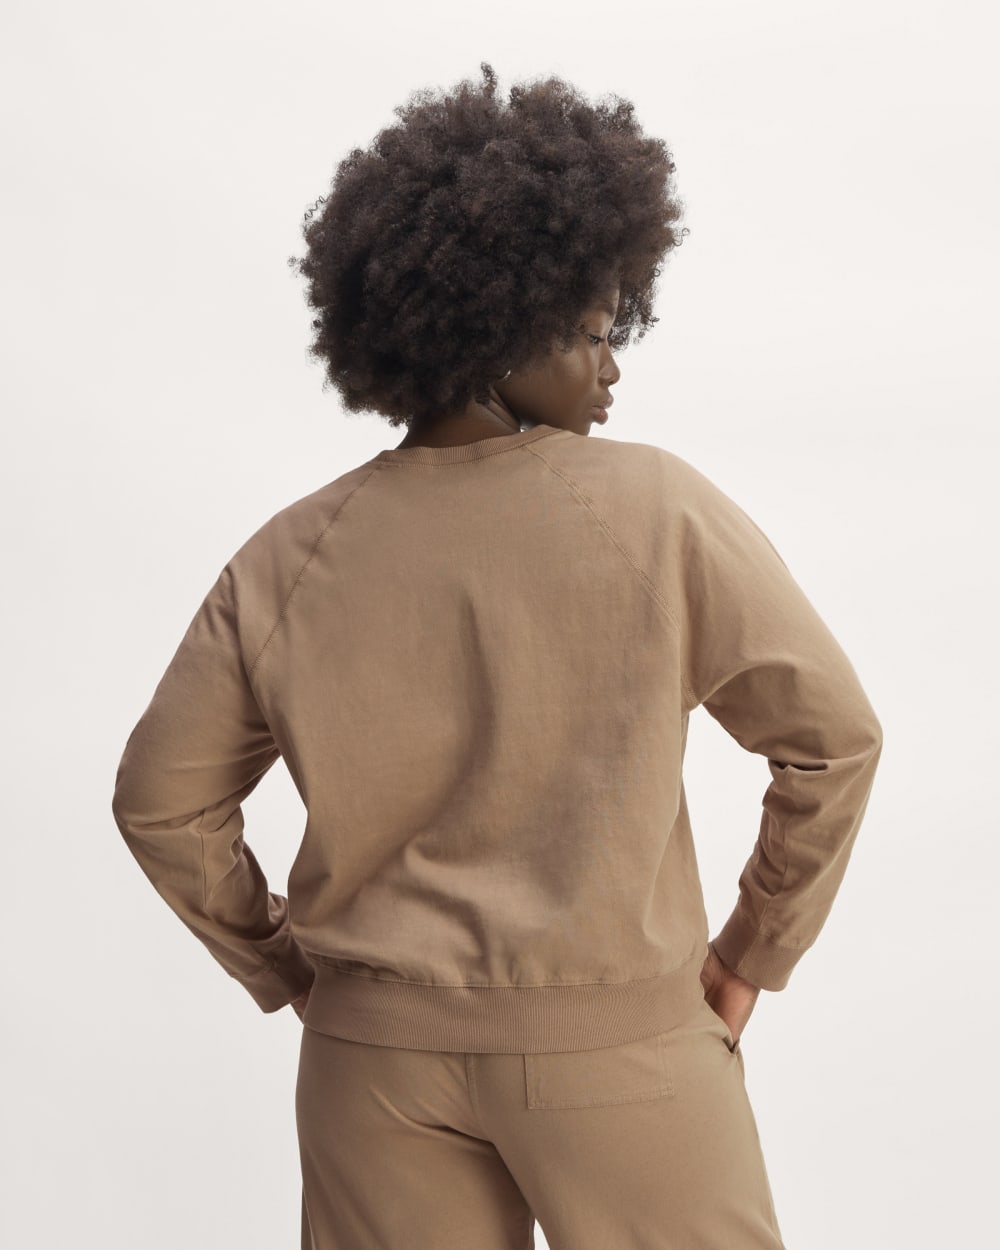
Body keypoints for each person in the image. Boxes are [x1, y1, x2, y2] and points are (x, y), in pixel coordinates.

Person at [112, 63, 883, 1250]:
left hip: (371, 1069)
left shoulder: (288, 556)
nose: (612, 365)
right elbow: (833, 741)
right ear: (495, 334)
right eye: (593, 333)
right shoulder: (656, 510)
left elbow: (161, 802)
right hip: (621, 1055)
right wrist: (748, 953)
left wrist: (292, 971)